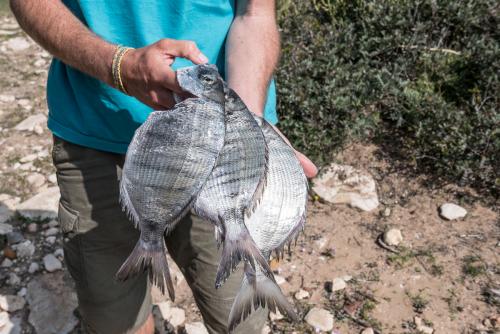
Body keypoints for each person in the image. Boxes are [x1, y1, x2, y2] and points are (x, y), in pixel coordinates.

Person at [10, 1, 318, 333]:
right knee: (116, 320)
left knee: (239, 320)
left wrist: (246, 123)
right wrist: (118, 66)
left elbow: (254, 13)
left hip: (221, 146)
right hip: (95, 130)